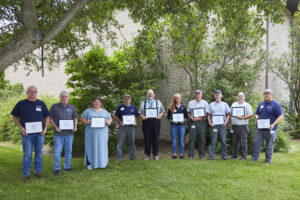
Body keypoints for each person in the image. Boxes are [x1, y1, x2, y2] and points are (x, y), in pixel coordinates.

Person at [11, 85, 49, 182]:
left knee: (39, 153)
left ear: (37, 93)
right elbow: (14, 117)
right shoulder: (21, 104)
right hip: (27, 134)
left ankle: (38, 172)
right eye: (31, 91)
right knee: (27, 154)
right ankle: (26, 174)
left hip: (40, 134)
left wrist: (45, 128)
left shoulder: (41, 104)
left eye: (35, 91)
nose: (33, 93)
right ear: (27, 92)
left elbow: (47, 117)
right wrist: (21, 128)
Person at [49, 91, 78, 175]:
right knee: (57, 151)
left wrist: (75, 126)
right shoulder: (54, 107)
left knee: (68, 151)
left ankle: (67, 167)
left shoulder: (72, 107)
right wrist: (56, 127)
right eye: (62, 96)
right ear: (60, 97)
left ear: (68, 98)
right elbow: (50, 118)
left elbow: (75, 117)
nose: (64, 98)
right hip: (58, 133)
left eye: (66, 96)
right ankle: (57, 168)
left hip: (69, 133)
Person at [251, 89, 283, 164]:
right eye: (265, 94)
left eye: (268, 94)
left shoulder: (276, 104)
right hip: (260, 128)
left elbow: (280, 116)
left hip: (271, 129)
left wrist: (273, 124)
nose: (266, 95)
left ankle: (268, 160)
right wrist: (256, 118)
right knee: (256, 143)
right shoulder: (261, 104)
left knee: (270, 145)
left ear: (271, 95)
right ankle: (254, 158)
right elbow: (257, 113)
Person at [80, 97, 112, 169]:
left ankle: (102, 164)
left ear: (101, 103)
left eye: (98, 102)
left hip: (102, 134)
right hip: (91, 133)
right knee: (91, 146)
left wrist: (109, 122)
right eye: (95, 102)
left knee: (102, 147)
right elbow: (82, 119)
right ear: (92, 103)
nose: (97, 104)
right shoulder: (88, 111)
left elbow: (110, 119)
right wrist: (86, 122)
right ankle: (90, 163)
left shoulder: (105, 111)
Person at [139, 89, 164, 160]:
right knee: (147, 138)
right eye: (149, 93)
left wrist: (160, 115)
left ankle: (155, 155)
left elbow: (162, 111)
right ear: (147, 95)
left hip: (156, 121)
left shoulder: (158, 102)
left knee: (155, 138)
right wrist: (142, 116)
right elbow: (139, 112)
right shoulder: (143, 102)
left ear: (154, 94)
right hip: (146, 122)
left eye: (151, 93)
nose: (150, 95)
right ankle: (147, 155)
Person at [115, 94, 139, 162]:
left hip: (131, 127)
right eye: (126, 98)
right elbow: (116, 116)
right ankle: (118, 158)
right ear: (124, 99)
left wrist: (135, 122)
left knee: (132, 142)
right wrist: (120, 122)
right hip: (122, 127)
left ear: (130, 99)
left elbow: (135, 117)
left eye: (128, 98)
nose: (127, 100)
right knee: (120, 143)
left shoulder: (133, 107)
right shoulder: (120, 107)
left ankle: (133, 156)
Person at [207, 90, 230, 160]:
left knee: (223, 141)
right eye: (216, 94)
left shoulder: (225, 104)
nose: (217, 96)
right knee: (213, 141)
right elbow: (208, 114)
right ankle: (211, 156)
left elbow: (229, 114)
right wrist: (209, 122)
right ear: (214, 96)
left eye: (218, 94)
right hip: (214, 125)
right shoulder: (211, 105)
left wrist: (226, 121)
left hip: (222, 125)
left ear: (221, 96)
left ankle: (224, 156)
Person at [187, 90, 209, 160]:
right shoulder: (191, 103)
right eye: (196, 94)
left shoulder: (205, 103)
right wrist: (192, 118)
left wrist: (199, 118)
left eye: (199, 94)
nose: (197, 96)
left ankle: (202, 155)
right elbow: (188, 113)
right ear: (195, 95)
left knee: (202, 139)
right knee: (192, 139)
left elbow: (207, 113)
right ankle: (190, 155)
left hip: (202, 122)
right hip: (193, 122)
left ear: (201, 95)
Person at [230, 92, 253, 160]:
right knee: (235, 142)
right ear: (237, 97)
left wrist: (242, 118)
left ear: (244, 97)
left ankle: (244, 156)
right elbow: (230, 114)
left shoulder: (247, 105)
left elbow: (250, 115)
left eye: (242, 96)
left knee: (243, 142)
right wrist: (229, 123)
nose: (240, 97)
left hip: (243, 126)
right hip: (234, 126)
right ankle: (235, 155)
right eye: (239, 96)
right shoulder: (234, 104)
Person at [167, 93, 188, 159]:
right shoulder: (171, 107)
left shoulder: (183, 107)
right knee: (174, 140)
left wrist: (183, 121)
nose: (178, 99)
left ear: (180, 98)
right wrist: (173, 121)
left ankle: (181, 155)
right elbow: (168, 117)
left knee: (181, 140)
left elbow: (186, 117)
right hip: (174, 126)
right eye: (176, 98)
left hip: (182, 126)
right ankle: (174, 154)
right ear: (174, 99)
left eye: (179, 98)